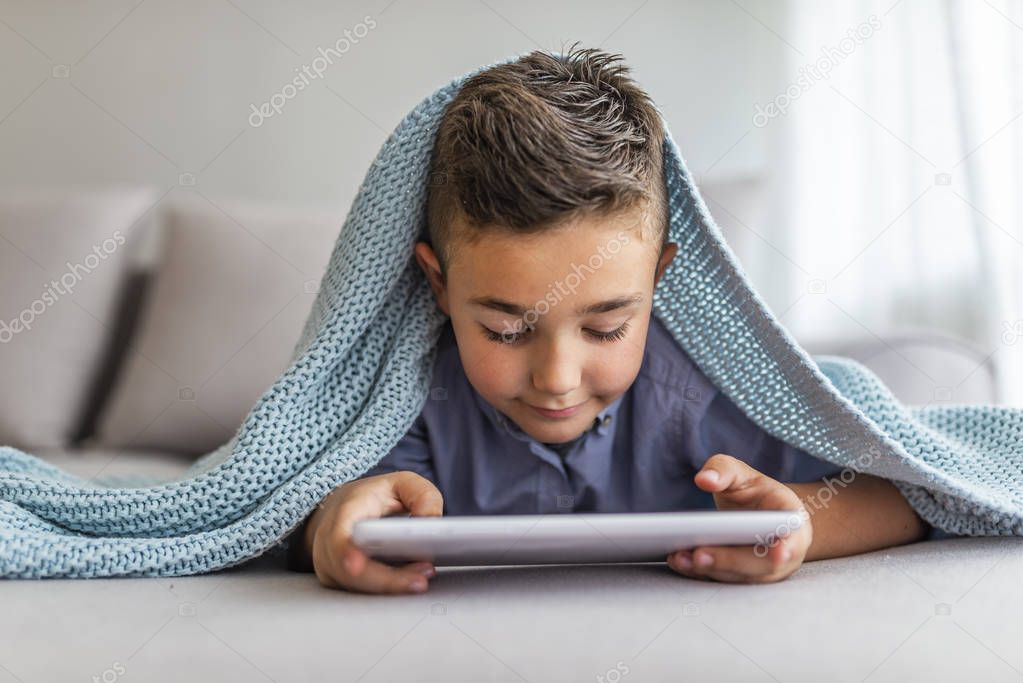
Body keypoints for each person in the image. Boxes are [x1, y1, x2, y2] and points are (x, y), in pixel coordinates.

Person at [286, 45, 933, 592]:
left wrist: (803, 523)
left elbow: (913, 494)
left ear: (656, 279)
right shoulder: (404, 397)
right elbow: (270, 515)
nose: (558, 379)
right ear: (438, 283)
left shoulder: (707, 395)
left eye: (604, 328)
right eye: (506, 330)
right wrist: (326, 529)